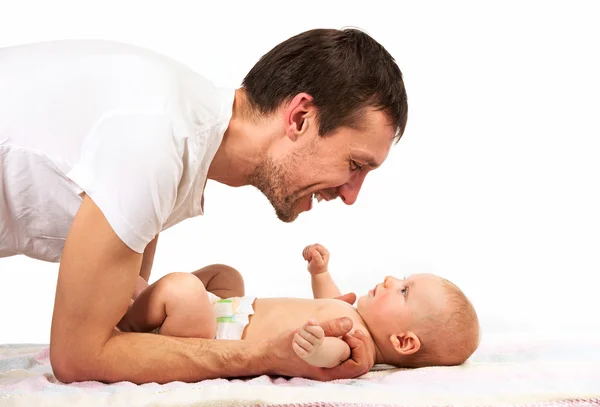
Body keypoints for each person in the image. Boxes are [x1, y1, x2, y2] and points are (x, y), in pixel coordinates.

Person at [0, 28, 408, 383]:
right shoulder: (159, 139)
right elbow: (78, 357)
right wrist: (264, 356)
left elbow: (122, 322)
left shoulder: (180, 129)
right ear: (300, 117)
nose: (352, 195)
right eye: (354, 165)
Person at [119, 244, 480, 370]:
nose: (389, 280)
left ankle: (128, 322)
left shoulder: (357, 346)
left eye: (403, 291)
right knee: (226, 274)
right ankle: (153, 304)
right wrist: (320, 272)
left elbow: (333, 352)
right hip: (229, 311)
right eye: (402, 279)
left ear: (403, 341)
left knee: (184, 288)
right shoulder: (351, 315)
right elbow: (328, 301)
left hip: (215, 336)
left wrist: (316, 346)